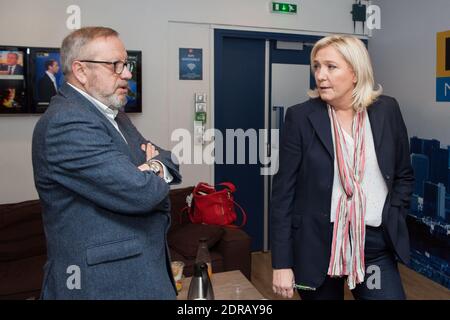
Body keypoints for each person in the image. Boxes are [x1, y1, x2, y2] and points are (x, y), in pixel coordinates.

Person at [32, 27, 182, 299]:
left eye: (126, 64)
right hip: (102, 285)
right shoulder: (65, 123)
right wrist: (147, 171)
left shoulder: (115, 114)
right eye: (116, 65)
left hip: (141, 274)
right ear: (80, 71)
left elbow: (167, 157)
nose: (127, 73)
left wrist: (154, 167)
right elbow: (140, 192)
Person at [270, 34, 414, 300]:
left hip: (373, 247)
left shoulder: (387, 110)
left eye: (331, 66)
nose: (321, 75)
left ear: (356, 73)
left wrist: (394, 212)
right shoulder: (301, 117)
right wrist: (281, 262)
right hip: (316, 247)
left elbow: (403, 173)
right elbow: (283, 195)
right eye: (317, 66)